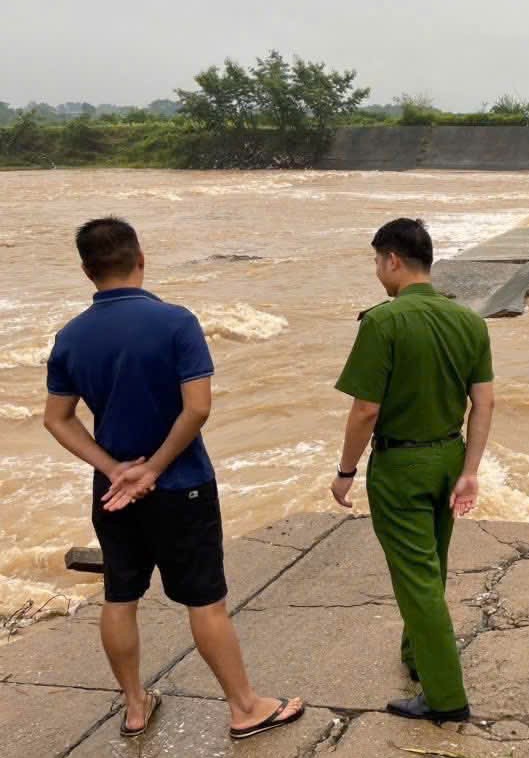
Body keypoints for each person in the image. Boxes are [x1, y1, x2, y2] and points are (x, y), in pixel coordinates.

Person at [43, 217, 304, 741]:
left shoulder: (71, 335)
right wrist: (155, 469)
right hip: (180, 482)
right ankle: (245, 708)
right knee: (204, 600)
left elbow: (57, 418)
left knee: (120, 597)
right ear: (141, 259)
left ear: (86, 271)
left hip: (113, 491)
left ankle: (136, 708)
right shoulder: (175, 322)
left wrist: (115, 469)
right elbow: (198, 409)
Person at [330, 217, 495, 724]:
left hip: (401, 464)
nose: (378, 270)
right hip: (449, 456)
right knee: (432, 568)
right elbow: (484, 403)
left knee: (417, 579)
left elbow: (365, 411)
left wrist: (346, 470)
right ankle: (417, 655)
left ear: (393, 260)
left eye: (378, 261)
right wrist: (471, 470)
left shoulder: (384, 322)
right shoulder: (469, 321)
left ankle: (445, 698)